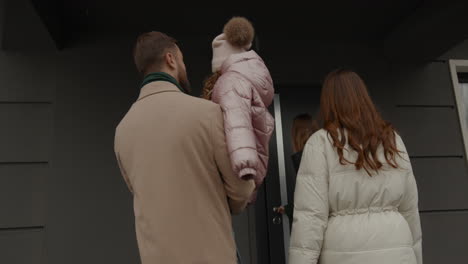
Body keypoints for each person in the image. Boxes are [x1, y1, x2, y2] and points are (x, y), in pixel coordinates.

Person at [114, 31, 255, 264]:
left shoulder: (122, 130)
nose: (184, 66)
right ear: (170, 60)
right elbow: (241, 190)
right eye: (182, 60)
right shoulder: (207, 114)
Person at [289, 69, 422, 264]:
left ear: (328, 102)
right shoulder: (392, 140)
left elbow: (310, 217)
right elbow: (410, 210)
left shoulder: (320, 143)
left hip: (344, 253)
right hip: (398, 253)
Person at [202, 17, 275, 196]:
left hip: (241, 168)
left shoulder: (230, 82)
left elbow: (237, 123)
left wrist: (245, 164)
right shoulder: (248, 79)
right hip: (250, 165)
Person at [275, 113, 319, 223]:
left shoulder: (305, 159)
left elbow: (312, 201)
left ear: (297, 135)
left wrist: (291, 209)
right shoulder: (323, 154)